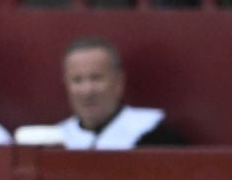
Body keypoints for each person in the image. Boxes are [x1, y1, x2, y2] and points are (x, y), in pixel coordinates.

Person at [51, 37, 187, 150]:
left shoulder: (157, 138)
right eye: (77, 80)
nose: (87, 90)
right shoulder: (55, 141)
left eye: (96, 78)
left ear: (119, 82)